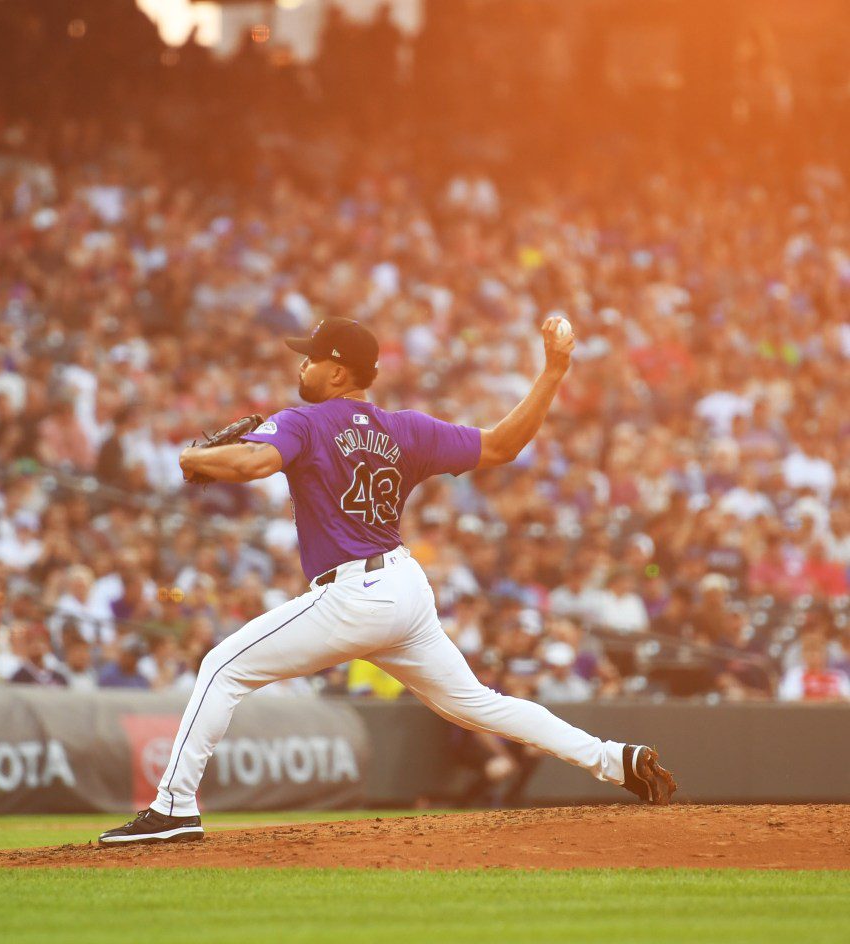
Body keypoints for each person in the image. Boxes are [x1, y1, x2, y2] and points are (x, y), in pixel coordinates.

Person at [100, 318, 677, 844]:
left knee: (221, 668)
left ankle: (174, 806)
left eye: (310, 358)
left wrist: (194, 458)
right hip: (406, 589)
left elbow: (252, 464)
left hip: (353, 594)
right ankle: (615, 760)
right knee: (478, 702)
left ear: (337, 369)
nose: (300, 366)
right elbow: (504, 445)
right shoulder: (405, 429)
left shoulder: (304, 420)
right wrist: (553, 371)